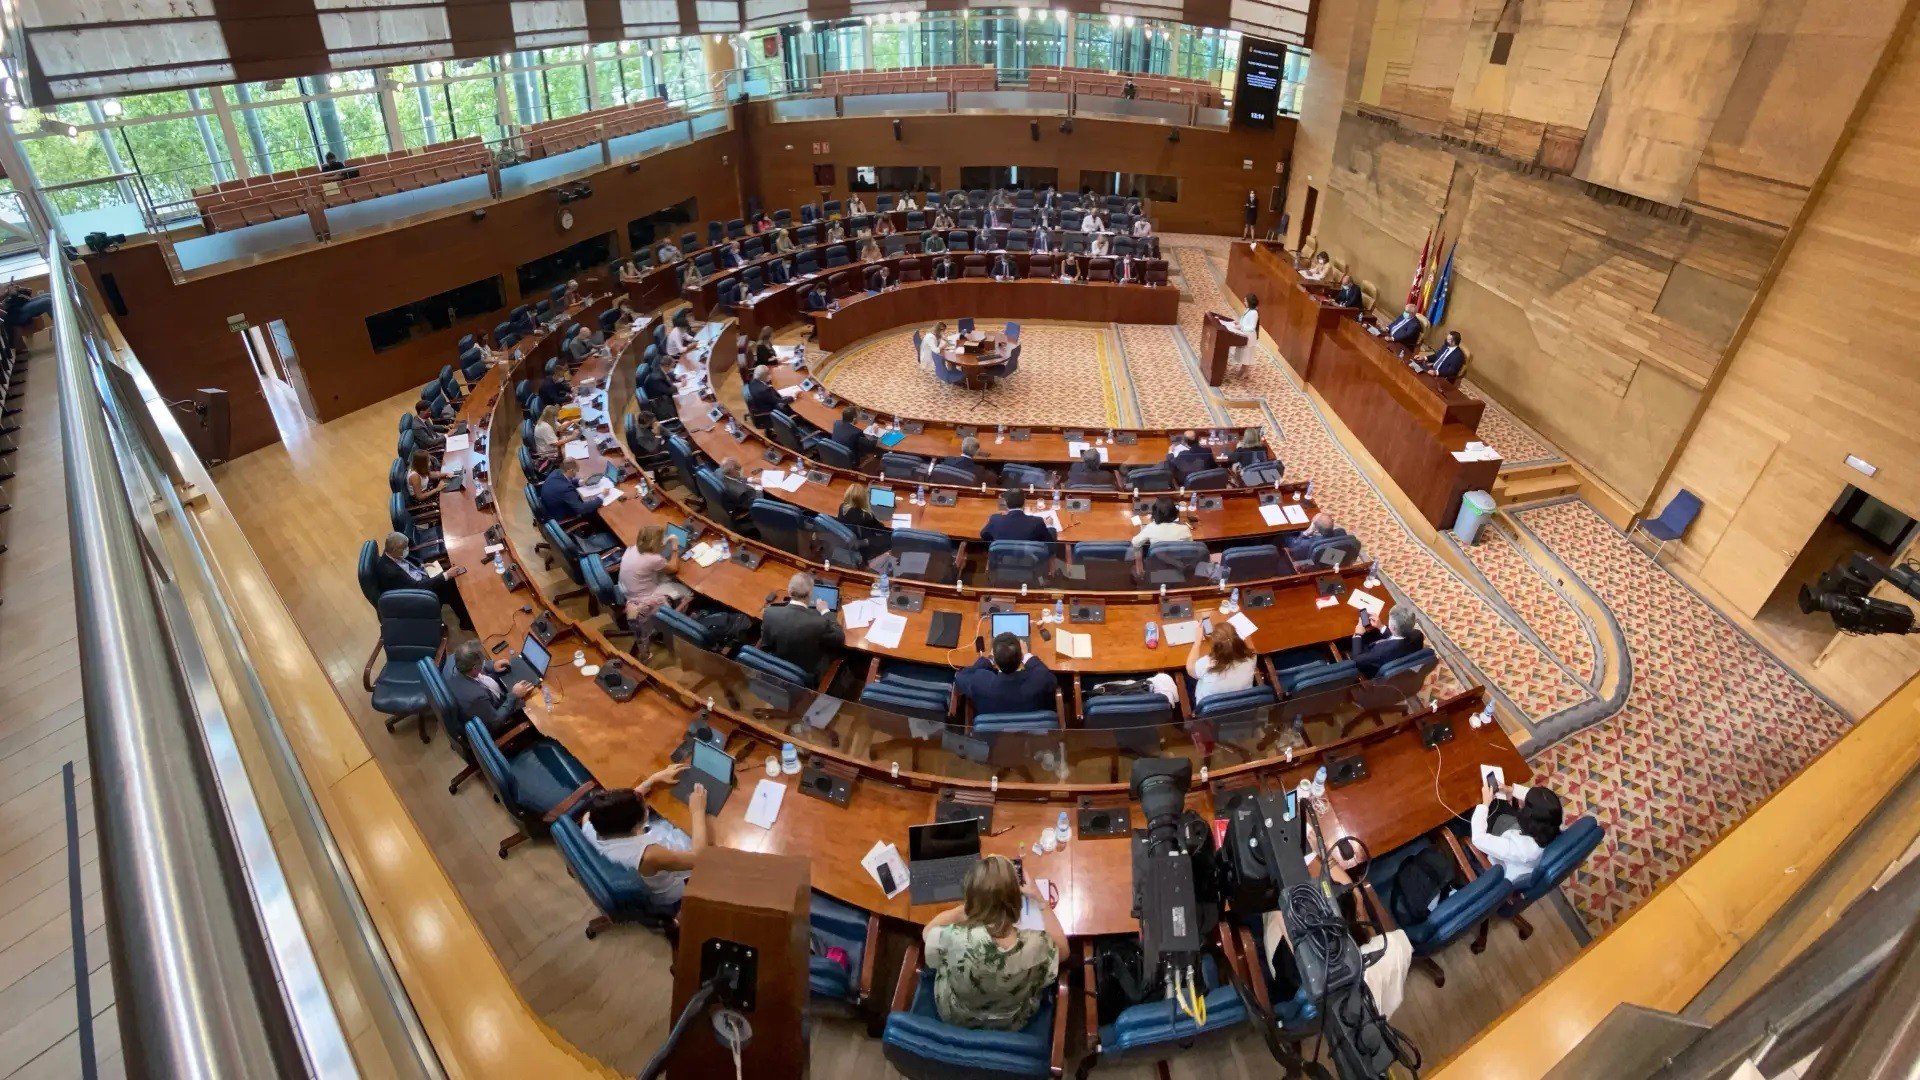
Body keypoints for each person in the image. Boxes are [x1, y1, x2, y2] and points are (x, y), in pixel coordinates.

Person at [1261, 852, 1411, 1020]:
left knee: (1270, 911)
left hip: (1296, 978)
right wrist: (1318, 854)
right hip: (1362, 1000)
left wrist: (1315, 854)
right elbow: (1352, 892)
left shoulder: (1303, 939)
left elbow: (1281, 904)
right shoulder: (1392, 945)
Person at [922, 855, 1065, 1031]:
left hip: (957, 1015)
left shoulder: (955, 937)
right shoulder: (1037, 945)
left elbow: (927, 933)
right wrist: (1041, 901)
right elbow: (1064, 951)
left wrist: (963, 911)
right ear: (1017, 900)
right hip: (1011, 1021)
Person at [579, 774, 709, 910]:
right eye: (644, 808)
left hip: (635, 869)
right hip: (667, 894)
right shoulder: (649, 855)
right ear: (636, 826)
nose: (646, 805)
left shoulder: (590, 820)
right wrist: (697, 811)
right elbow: (699, 859)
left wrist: (652, 780)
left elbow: (615, 808)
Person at [372, 531, 474, 630]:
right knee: (449, 585)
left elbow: (406, 564)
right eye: (405, 548)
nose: (407, 549)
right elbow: (418, 587)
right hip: (416, 595)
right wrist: (446, 575)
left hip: (419, 578)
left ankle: (465, 613)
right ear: (394, 549)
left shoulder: (391, 553)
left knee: (447, 581)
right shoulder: (391, 572)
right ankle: (467, 623)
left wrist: (421, 566)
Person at [1472, 779, 1564, 886]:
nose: (1521, 804)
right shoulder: (1552, 821)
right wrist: (1512, 790)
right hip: (1512, 835)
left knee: (1464, 820)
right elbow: (1542, 805)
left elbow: (1478, 838)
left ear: (1527, 820)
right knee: (1499, 804)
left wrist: (1485, 804)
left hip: (1499, 863)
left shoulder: (1522, 850)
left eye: (1523, 807)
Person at [440, 639, 536, 737]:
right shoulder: (476, 698)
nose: (483, 663)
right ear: (475, 668)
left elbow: (477, 668)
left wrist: (492, 666)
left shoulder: (453, 659)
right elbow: (495, 722)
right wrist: (514, 695)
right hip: (495, 714)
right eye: (482, 663)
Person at [759, 572, 845, 677]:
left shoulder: (769, 613)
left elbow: (765, 646)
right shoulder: (819, 623)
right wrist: (826, 611)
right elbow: (839, 638)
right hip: (804, 674)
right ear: (810, 594)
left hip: (775, 667)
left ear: (789, 592)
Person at [957, 633, 1058, 714]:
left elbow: (960, 676)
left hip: (993, 736)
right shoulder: (1040, 680)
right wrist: (1028, 656)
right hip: (1032, 735)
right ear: (1021, 657)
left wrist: (989, 660)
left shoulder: (980, 681)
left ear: (996, 663)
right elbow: (1052, 680)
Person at [620, 525, 693, 622]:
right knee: (688, 592)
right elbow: (674, 568)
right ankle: (677, 619)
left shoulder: (632, 548)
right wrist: (675, 548)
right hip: (644, 600)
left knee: (664, 575)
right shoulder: (654, 559)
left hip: (628, 591)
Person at [1187, 623, 1257, 707]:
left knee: (1188, 680)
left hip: (1211, 709)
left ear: (1215, 648)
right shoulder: (1251, 657)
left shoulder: (1207, 664)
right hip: (1241, 705)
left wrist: (1197, 641)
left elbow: (1190, 670)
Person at [1349, 606, 1425, 677]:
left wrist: (1358, 635)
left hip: (1376, 668)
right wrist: (1381, 626)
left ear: (1393, 627)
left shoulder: (1381, 651)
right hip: (1398, 656)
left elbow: (1357, 660)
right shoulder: (1418, 634)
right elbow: (1399, 637)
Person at [980, 488, 1057, 544]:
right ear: (1024, 503)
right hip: (1030, 559)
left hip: (1003, 557)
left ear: (1006, 504)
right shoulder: (1038, 521)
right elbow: (1049, 542)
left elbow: (983, 534)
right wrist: (1049, 525)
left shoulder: (995, 519)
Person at [539, 458, 603, 523]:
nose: (577, 472)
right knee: (595, 511)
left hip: (549, 507)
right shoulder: (566, 489)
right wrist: (600, 498)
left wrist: (581, 482)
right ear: (571, 470)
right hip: (560, 516)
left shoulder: (557, 472)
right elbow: (581, 509)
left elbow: (565, 481)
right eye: (576, 470)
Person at [838, 483, 890, 561]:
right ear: (863, 498)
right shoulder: (866, 515)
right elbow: (880, 528)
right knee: (889, 535)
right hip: (864, 543)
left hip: (847, 540)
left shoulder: (842, 507)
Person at [1283, 512, 1350, 563]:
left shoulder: (1306, 544)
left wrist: (1304, 534)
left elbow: (1295, 551)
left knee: (1285, 536)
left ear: (1316, 530)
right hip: (1331, 561)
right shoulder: (1342, 532)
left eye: (1312, 523)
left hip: (1310, 563)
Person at [743, 364, 785, 428]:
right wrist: (792, 397)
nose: (770, 376)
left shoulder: (753, 381)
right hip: (768, 411)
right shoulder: (764, 390)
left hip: (759, 405)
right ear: (764, 376)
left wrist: (769, 387)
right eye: (768, 374)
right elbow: (779, 401)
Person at [1231, 294, 1260, 376]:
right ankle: (1242, 369)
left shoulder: (1254, 313)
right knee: (1243, 354)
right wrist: (1239, 322)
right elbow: (1244, 321)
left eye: (1245, 301)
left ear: (1250, 302)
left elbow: (1252, 327)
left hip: (1249, 336)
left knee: (1247, 354)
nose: (1244, 302)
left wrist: (1241, 327)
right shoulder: (1248, 310)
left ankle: (1246, 371)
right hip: (1244, 334)